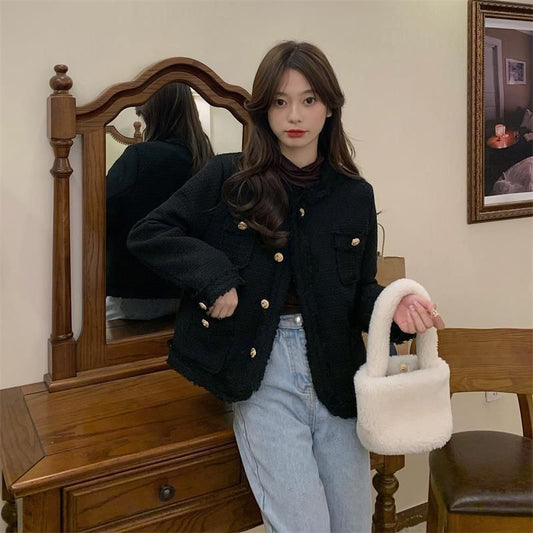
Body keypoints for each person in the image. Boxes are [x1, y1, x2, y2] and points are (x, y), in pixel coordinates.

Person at [128, 41, 445, 532]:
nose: (294, 115)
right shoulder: (229, 178)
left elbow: (359, 292)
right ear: (264, 109)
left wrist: (393, 308)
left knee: (353, 525)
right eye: (280, 101)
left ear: (329, 107)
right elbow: (150, 233)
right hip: (263, 371)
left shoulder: (353, 194)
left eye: (308, 100)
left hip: (337, 371)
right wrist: (214, 277)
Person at [106, 82, 214, 320]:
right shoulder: (205, 160)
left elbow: (97, 214)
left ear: (151, 113)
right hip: (193, 296)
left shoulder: (139, 157)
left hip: (138, 296)